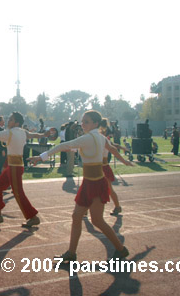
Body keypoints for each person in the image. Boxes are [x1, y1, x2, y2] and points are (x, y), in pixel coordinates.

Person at [28, 110, 131, 262]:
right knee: (87, 218)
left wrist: (40, 157)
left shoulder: (88, 138)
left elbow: (63, 146)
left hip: (92, 183)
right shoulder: (100, 137)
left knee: (91, 219)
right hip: (96, 182)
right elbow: (111, 148)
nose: (83, 124)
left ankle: (117, 249)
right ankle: (77, 253)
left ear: (95, 123)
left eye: (86, 121)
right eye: (82, 121)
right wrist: (124, 160)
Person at [0, 112, 50, 228]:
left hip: (14, 168)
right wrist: (43, 135)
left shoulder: (9, 133)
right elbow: (34, 135)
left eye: (11, 120)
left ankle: (33, 217)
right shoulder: (23, 132)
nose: (8, 121)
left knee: (18, 193)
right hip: (13, 167)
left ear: (17, 122)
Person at [99, 119, 134, 216]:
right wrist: (122, 148)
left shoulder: (102, 139)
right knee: (104, 189)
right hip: (98, 167)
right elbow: (114, 146)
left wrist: (124, 159)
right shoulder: (102, 138)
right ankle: (117, 206)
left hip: (102, 167)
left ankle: (117, 206)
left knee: (107, 189)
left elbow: (113, 147)